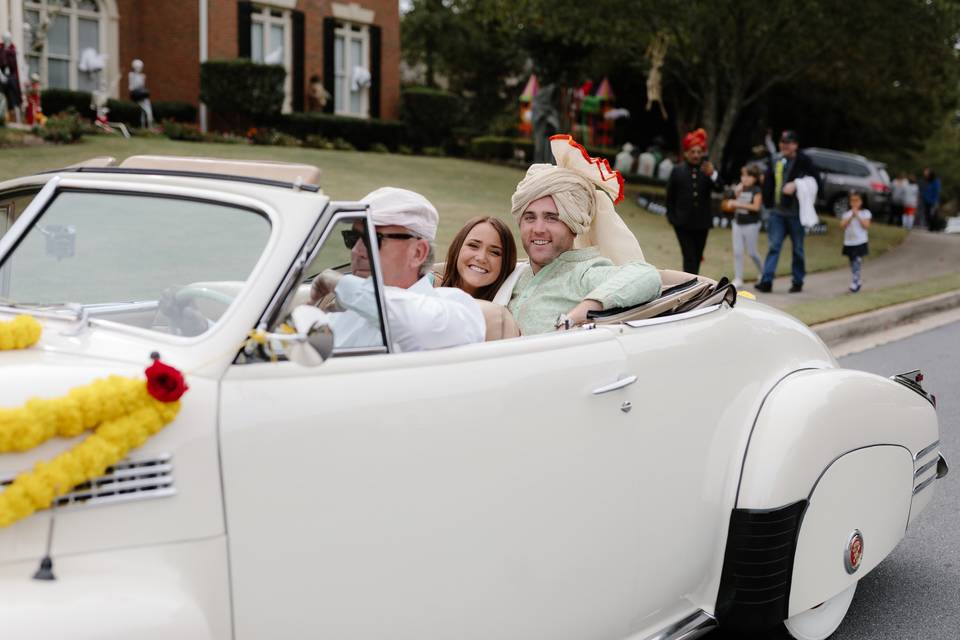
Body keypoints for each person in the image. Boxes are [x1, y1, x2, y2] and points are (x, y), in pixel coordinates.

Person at [505, 135, 661, 335]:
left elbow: (647, 276)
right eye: (529, 217)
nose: (538, 228)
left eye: (552, 218)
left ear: (573, 224)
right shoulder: (517, 273)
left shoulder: (583, 274)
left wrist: (576, 316)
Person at [308, 187, 485, 351]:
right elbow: (299, 354)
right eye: (352, 237)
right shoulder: (345, 310)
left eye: (372, 239)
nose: (356, 250)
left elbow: (419, 326)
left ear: (417, 253)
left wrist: (342, 284)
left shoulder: (456, 306)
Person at [755, 130, 819, 293]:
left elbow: (816, 181)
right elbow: (769, 181)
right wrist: (767, 203)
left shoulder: (804, 161)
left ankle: (797, 281)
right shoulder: (776, 159)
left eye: (788, 143)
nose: (784, 145)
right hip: (777, 212)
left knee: (797, 248)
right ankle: (767, 281)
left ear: (795, 145)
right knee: (774, 246)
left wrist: (797, 184)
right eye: (782, 142)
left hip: (796, 214)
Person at [665, 128, 723, 274]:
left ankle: (694, 283)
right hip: (682, 223)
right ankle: (689, 286)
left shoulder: (707, 169)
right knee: (689, 256)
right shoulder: (677, 170)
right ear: (686, 153)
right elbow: (670, 197)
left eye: (699, 152)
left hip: (702, 222)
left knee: (697, 256)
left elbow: (720, 188)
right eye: (693, 151)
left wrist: (713, 174)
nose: (696, 155)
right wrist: (672, 218)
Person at [440, 217, 518, 301]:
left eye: (494, 252)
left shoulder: (507, 309)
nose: (481, 258)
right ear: (457, 248)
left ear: (506, 263)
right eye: (473, 246)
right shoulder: (428, 286)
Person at [727, 165, 764, 288]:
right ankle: (738, 279)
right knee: (737, 252)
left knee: (752, 252)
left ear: (755, 178)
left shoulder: (756, 190)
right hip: (738, 223)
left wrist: (738, 204)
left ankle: (765, 272)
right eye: (743, 175)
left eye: (748, 176)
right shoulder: (740, 188)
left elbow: (756, 207)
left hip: (751, 224)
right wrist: (735, 198)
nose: (745, 178)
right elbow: (734, 203)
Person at [840, 190, 871, 293]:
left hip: (860, 241)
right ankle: (857, 280)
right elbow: (842, 225)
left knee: (857, 262)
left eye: (857, 200)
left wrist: (857, 215)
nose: (854, 203)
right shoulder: (847, 214)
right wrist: (851, 216)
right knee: (852, 262)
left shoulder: (865, 213)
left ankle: (855, 282)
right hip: (849, 242)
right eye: (852, 201)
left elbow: (866, 226)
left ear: (861, 201)